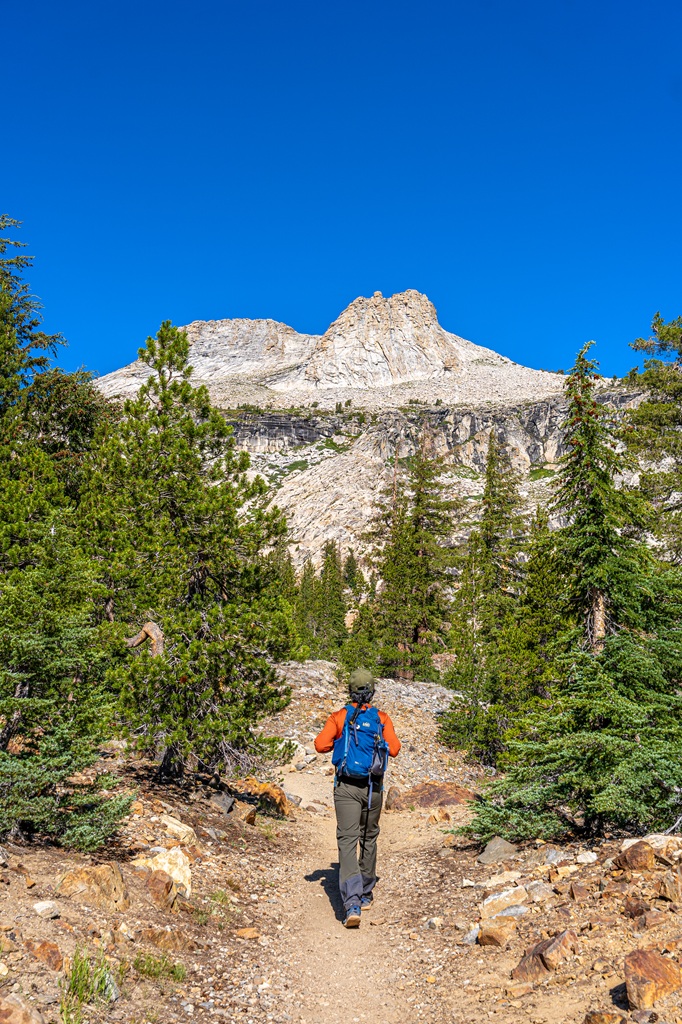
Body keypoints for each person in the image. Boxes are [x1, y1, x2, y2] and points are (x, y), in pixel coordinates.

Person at [314, 668, 401, 928]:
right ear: (372, 691)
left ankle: (351, 902)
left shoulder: (340, 716)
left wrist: (339, 744)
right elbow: (394, 749)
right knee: (369, 836)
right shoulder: (381, 718)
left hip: (346, 788)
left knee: (347, 839)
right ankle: (365, 892)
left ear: (350, 691)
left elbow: (320, 745)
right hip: (374, 787)